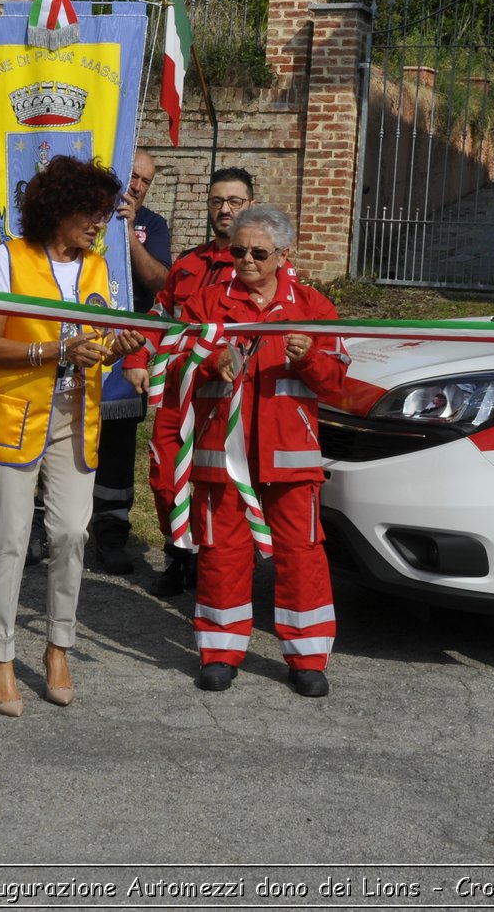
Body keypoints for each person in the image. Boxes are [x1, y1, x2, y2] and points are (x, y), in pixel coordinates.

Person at [0, 156, 145, 717]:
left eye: (103, 213)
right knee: (10, 538)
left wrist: (120, 348)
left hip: (76, 412)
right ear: (57, 210)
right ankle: (0, 659)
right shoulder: (10, 259)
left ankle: (57, 649)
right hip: (17, 413)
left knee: (72, 533)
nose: (100, 222)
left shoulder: (98, 268)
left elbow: (111, 337)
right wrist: (54, 350)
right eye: (90, 212)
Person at [169, 204, 347, 697]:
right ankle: (220, 652)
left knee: (302, 556)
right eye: (237, 251)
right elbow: (174, 367)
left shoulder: (313, 307)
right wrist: (210, 362)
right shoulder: (206, 303)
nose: (245, 260)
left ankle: (308, 658)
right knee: (222, 554)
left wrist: (309, 358)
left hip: (290, 460)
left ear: (284, 255)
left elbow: (335, 382)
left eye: (258, 253)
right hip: (221, 458)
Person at [121, 166, 257, 596]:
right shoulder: (187, 266)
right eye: (217, 201)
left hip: (226, 398)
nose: (225, 209)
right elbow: (159, 319)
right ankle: (179, 551)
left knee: (216, 482)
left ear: (250, 205)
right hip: (180, 391)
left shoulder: (259, 267)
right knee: (164, 479)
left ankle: (207, 557)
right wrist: (138, 358)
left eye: (235, 201)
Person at [90, 149, 171, 573]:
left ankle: (110, 532)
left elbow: (160, 281)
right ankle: (42, 525)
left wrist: (127, 231)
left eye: (146, 182)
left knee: (118, 446)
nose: (137, 186)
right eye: (133, 176)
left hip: (127, 346)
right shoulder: (87, 215)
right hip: (81, 341)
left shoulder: (152, 225)